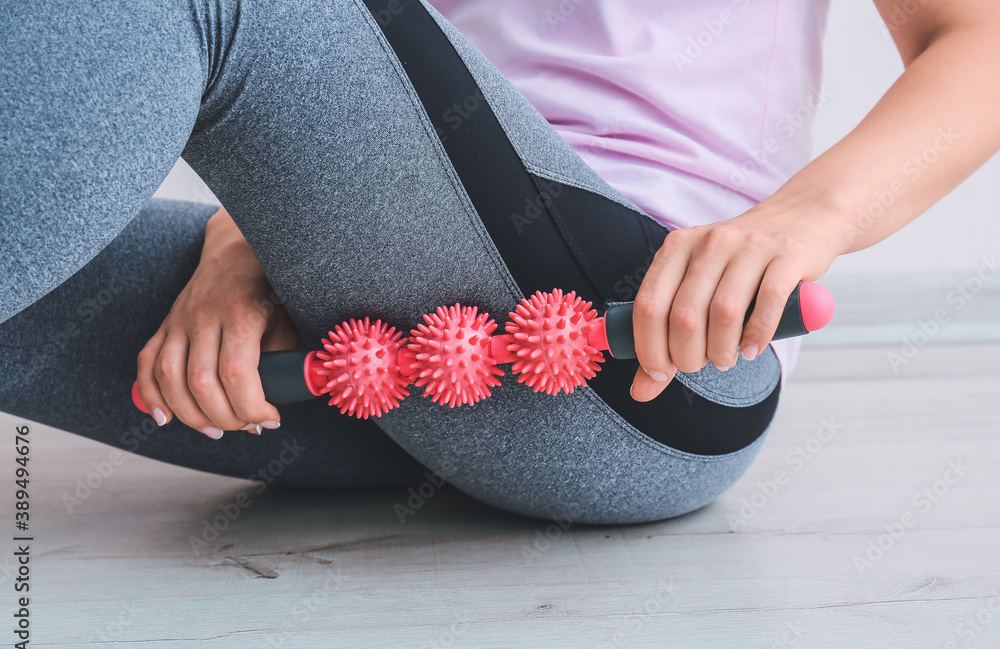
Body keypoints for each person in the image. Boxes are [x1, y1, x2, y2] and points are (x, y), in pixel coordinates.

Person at [1, 0, 996, 524]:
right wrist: (247, 235)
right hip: (404, 367)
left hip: (643, 351)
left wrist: (801, 218)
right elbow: (363, 69)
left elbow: (978, 36)